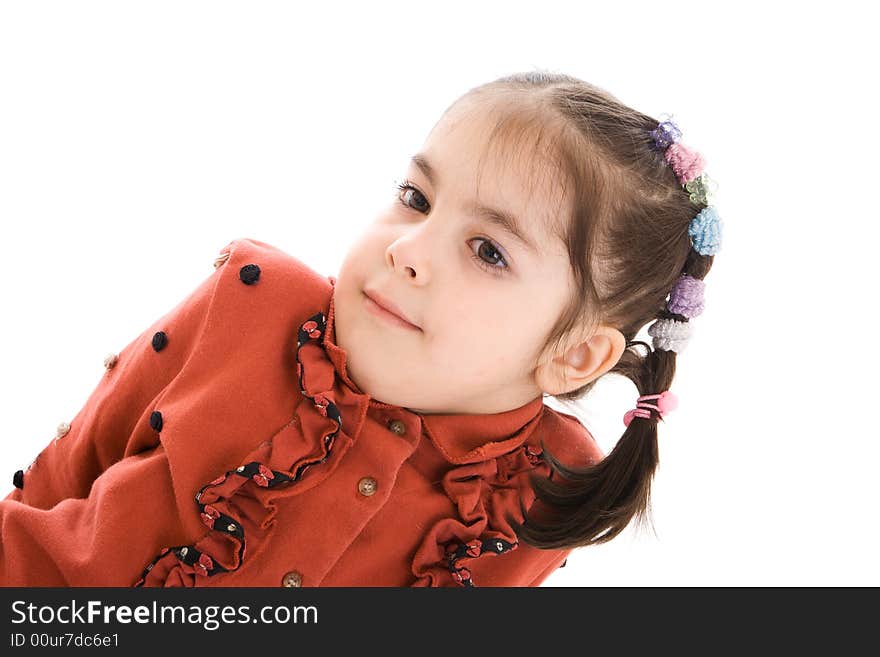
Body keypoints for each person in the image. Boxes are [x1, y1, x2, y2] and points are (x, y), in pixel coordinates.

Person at [1, 70, 722, 587]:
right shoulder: (251, 300)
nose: (407, 251)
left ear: (574, 354)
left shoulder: (542, 489)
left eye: (488, 250)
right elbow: (63, 471)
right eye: (417, 197)